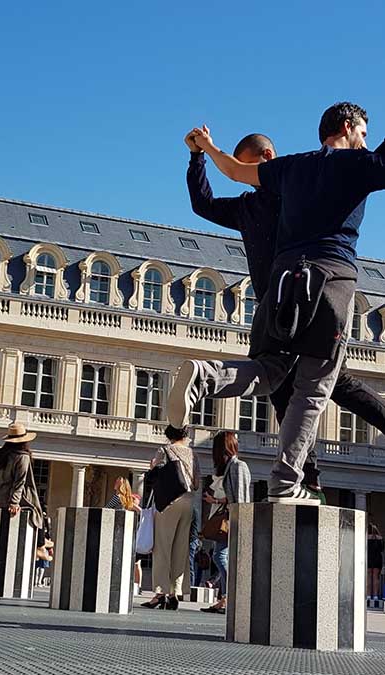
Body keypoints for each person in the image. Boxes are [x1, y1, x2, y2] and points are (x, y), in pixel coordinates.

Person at [169, 102, 385, 503]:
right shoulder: (358, 165)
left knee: (271, 371)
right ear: (347, 126)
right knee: (316, 389)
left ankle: (205, 376)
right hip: (328, 280)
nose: (364, 142)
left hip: (279, 288)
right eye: (363, 133)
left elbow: (232, 171)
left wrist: (202, 150)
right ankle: (288, 482)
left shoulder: (287, 171)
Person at [141, 424, 200, 611]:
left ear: (169, 436)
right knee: (180, 549)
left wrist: (152, 467)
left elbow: (154, 475)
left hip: (169, 502)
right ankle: (175, 593)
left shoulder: (165, 450)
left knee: (163, 547)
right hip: (189, 501)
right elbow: (197, 483)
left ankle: (160, 593)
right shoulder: (193, 454)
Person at [200, 431, 251, 614]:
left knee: (220, 557)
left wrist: (216, 501)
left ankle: (231, 596)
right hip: (228, 518)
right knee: (221, 557)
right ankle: (225, 598)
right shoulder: (230, 466)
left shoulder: (237, 466)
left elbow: (238, 499)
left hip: (232, 519)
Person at [0, 422, 51, 562]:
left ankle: (42, 541)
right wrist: (14, 502)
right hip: (11, 497)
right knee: (37, 509)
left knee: (37, 509)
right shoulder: (22, 456)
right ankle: (40, 545)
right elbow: (19, 481)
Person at [367, 519, 384, 601]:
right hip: (377, 558)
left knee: (369, 577)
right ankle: (376, 595)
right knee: (375, 577)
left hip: (369, 558)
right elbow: (382, 549)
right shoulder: (380, 538)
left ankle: (368, 595)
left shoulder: (366, 538)